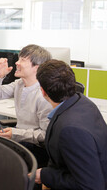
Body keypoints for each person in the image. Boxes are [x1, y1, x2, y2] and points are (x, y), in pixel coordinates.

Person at [35, 59, 107, 190]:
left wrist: (45, 176)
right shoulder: (82, 101)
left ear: (43, 91)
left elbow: (90, 186)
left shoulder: (70, 129)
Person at [0, 44, 52, 168]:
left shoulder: (43, 96)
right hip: (21, 141)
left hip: (36, 147)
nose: (17, 63)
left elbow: (45, 135)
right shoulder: (19, 84)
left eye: (22, 60)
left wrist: (16, 133)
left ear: (36, 68)